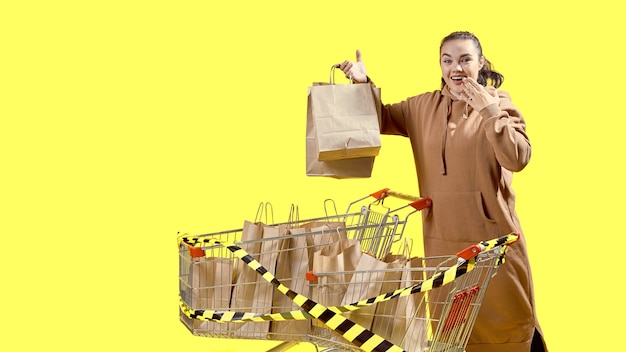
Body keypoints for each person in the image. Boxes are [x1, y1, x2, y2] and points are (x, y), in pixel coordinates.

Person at [336, 31, 548, 352]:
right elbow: (378, 119)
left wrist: (488, 111)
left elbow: (518, 158)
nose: (456, 68)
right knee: (455, 330)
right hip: (442, 242)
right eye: (447, 60)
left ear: (481, 64)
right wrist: (363, 83)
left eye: (464, 59)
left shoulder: (498, 102)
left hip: (492, 241)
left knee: (509, 325)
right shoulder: (422, 107)